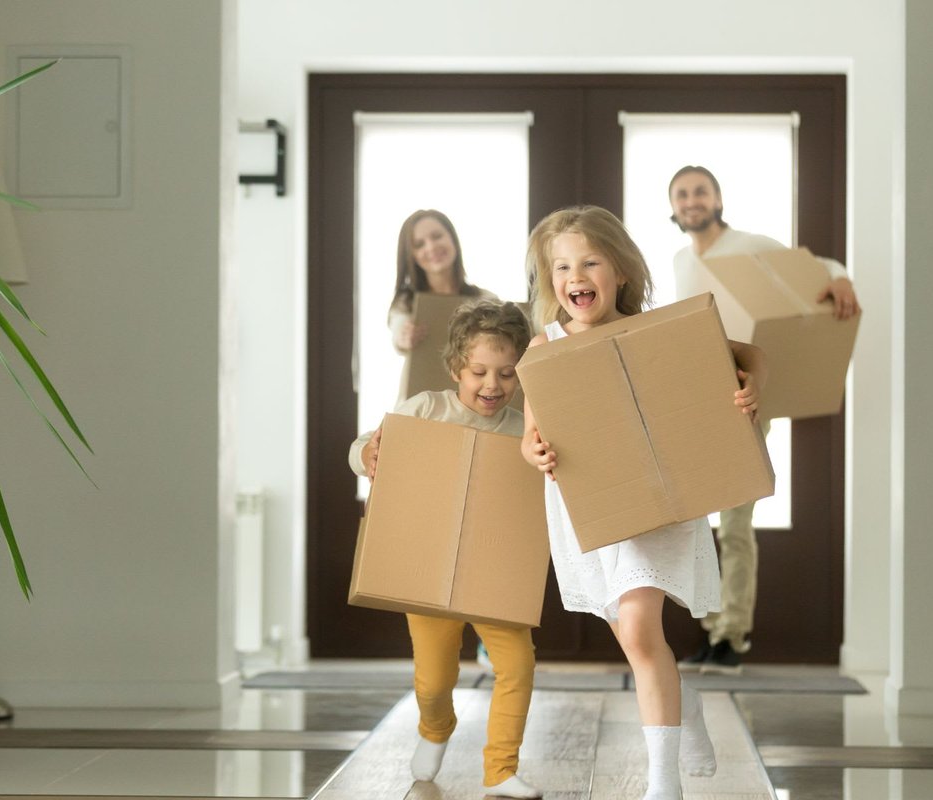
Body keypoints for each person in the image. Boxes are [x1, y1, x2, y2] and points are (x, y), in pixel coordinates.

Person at [521, 206, 767, 800]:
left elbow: (748, 355)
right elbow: (532, 435)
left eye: (589, 261)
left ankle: (663, 782)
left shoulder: (653, 333)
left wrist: (750, 387)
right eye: (561, 266)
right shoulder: (545, 347)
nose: (574, 275)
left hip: (657, 502)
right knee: (635, 637)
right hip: (591, 508)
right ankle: (689, 701)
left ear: (621, 272)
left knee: (636, 629)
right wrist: (536, 453)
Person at [666, 165, 860, 673]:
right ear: (673, 206)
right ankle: (712, 631)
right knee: (694, 524)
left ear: (717, 198)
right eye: (683, 194)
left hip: (743, 397)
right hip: (695, 400)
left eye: (700, 191)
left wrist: (839, 278)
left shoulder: (749, 245)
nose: (692, 200)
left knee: (735, 521)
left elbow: (820, 264)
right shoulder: (681, 260)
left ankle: (733, 635)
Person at [350, 300, 542, 799]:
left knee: (517, 665)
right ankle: (435, 728)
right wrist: (368, 452)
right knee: (434, 682)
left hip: (495, 570)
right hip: (428, 567)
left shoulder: (523, 429)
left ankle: (501, 769)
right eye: (479, 372)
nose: (492, 385)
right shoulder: (425, 410)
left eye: (506, 373)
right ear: (457, 366)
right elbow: (366, 446)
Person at [388, 209, 498, 361]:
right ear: (411, 256)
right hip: (421, 383)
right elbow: (399, 332)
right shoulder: (406, 303)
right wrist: (403, 337)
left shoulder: (486, 299)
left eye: (437, 236)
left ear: (452, 238)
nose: (431, 247)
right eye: (419, 244)